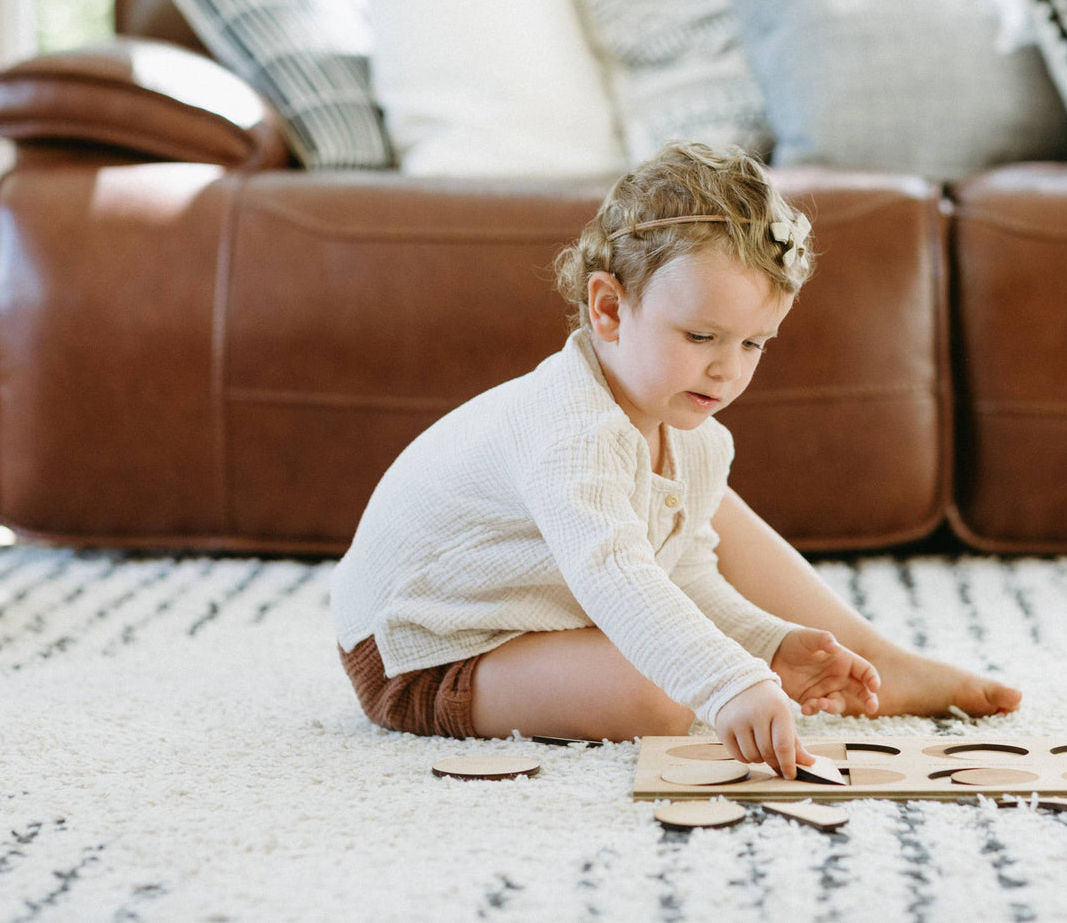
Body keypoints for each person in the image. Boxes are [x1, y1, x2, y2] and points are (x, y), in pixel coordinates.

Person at [333, 142, 1019, 780]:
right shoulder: (572, 430)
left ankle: (878, 659)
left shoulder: (689, 432)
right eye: (700, 336)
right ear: (608, 308)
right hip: (422, 650)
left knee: (695, 532)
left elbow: (682, 569)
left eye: (754, 344)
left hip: (523, 618)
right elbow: (615, 572)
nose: (727, 370)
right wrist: (731, 681)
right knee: (662, 695)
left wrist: (766, 643)